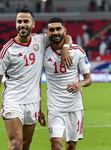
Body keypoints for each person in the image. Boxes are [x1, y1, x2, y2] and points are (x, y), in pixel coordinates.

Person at [0, 8, 72, 150]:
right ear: (15, 24)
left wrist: (65, 48)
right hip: (13, 101)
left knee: (25, 145)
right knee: (16, 143)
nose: (22, 24)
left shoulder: (41, 40)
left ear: (33, 24)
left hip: (33, 103)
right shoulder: (8, 49)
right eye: (19, 21)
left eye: (26, 21)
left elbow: (65, 36)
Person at [43, 17, 92, 150]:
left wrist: (80, 84)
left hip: (74, 107)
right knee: (56, 144)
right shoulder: (43, 52)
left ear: (64, 30)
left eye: (58, 29)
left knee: (71, 145)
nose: (55, 32)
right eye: (51, 30)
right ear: (47, 33)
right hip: (54, 107)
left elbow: (89, 79)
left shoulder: (77, 51)